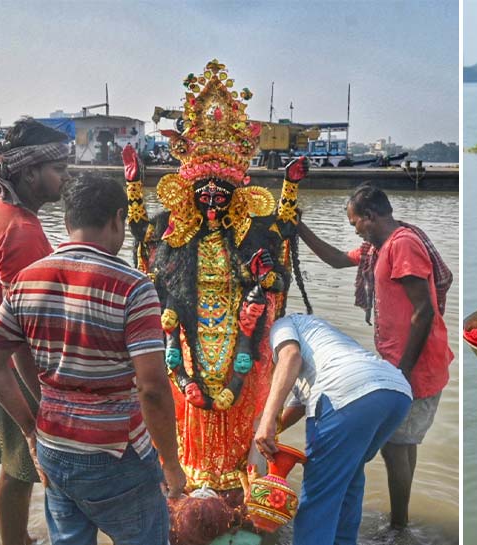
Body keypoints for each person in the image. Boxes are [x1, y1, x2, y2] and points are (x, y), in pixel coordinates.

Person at [123, 59, 313, 503]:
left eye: (220, 197)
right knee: (188, 411)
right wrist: (133, 188)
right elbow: (145, 249)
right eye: (203, 196)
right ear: (190, 196)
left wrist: (290, 190)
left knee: (240, 404)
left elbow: (279, 254)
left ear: (236, 197)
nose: (211, 205)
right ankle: (186, 482)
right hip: (187, 337)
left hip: (238, 339)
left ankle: (237, 487)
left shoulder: (250, 234)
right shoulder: (176, 231)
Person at [0, 175, 186, 544]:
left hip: (54, 447)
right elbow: (152, 389)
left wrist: (30, 429)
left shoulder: (26, 281)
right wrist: (171, 464)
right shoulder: (134, 288)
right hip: (118, 455)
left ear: (69, 219)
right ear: (118, 219)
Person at [298, 184, 453, 528]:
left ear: (369, 217)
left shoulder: (402, 245)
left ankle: (397, 527)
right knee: (404, 443)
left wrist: (401, 372)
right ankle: (401, 521)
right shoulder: (378, 248)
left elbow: (424, 311)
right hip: (401, 364)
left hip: (416, 366)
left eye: (355, 223)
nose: (355, 230)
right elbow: (338, 259)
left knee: (394, 447)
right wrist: (299, 227)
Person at [0, 117, 71, 545]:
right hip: (15, 366)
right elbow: (31, 332)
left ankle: (15, 540)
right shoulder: (23, 231)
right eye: (58, 170)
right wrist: (48, 398)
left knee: (16, 468)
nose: (65, 178)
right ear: (29, 172)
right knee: (36, 463)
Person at [254, 313, 412, 544]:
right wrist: (271, 431)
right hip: (396, 393)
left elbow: (290, 357)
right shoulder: (319, 335)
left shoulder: (281, 325)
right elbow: (300, 403)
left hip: (345, 392)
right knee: (349, 478)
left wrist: (267, 421)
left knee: (318, 497)